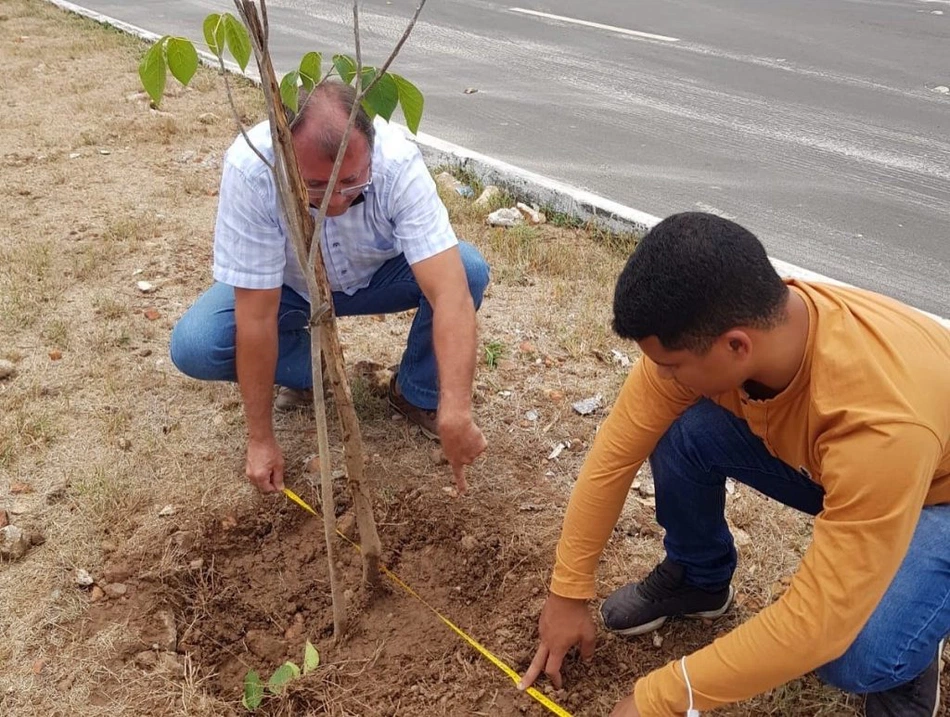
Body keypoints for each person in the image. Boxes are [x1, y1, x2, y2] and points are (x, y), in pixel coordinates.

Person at [519, 212, 950, 716]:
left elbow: (817, 625)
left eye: (672, 364)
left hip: (934, 492)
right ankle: (700, 580)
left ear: (736, 346)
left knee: (852, 652)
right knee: (681, 430)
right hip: (849, 468)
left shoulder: (879, 424)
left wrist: (658, 699)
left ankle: (906, 658)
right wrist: (568, 591)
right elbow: (614, 457)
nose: (658, 375)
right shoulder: (754, 327)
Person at [170, 81, 489, 494]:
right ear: (285, 157)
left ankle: (415, 392)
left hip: (379, 277)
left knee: (466, 269)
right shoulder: (254, 170)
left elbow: (449, 294)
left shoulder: (396, 161)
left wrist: (456, 411)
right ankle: (310, 371)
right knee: (197, 344)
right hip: (291, 289)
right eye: (316, 186)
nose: (336, 200)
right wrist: (261, 438)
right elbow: (257, 316)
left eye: (352, 180)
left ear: (370, 151)